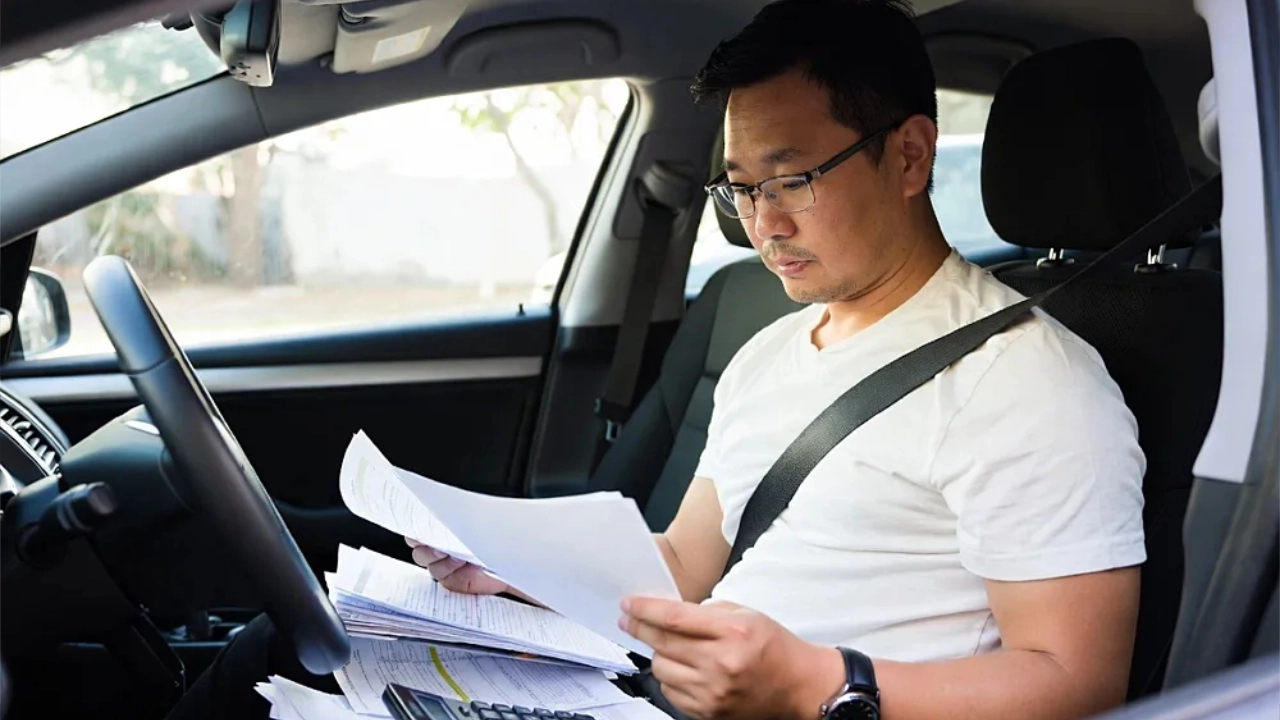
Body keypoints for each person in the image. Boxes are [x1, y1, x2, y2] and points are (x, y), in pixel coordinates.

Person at [168, 1, 1145, 719]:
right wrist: (511, 576)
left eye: (792, 178)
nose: (763, 224)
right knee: (289, 652)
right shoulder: (773, 346)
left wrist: (819, 682)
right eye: (741, 189)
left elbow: (1077, 679)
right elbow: (681, 567)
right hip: (657, 699)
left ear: (907, 155)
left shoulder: (1030, 383)